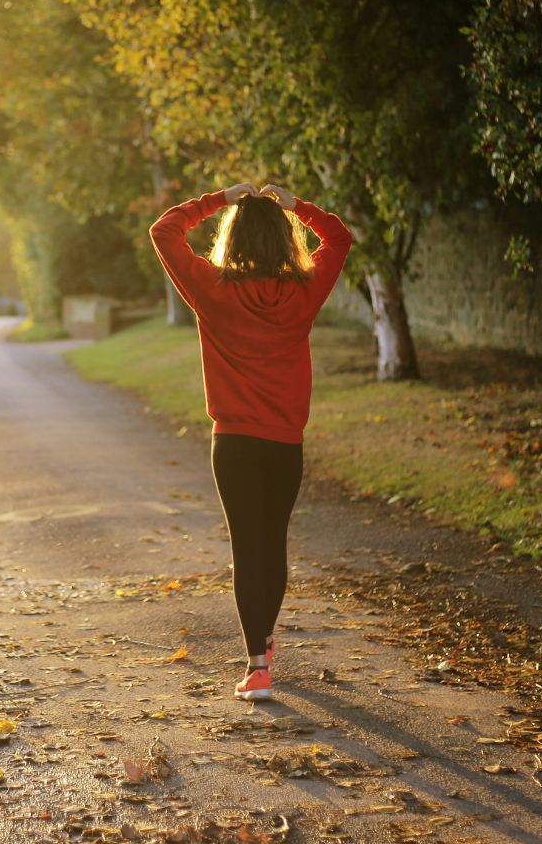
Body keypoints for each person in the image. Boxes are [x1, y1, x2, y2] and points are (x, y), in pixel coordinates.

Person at [149, 182, 353, 701]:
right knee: (273, 543)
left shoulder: (211, 289)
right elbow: (340, 237)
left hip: (234, 443)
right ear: (285, 240)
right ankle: (262, 642)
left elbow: (164, 230)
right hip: (284, 442)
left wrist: (219, 198)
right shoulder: (305, 290)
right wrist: (297, 207)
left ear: (232, 239)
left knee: (247, 547)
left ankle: (257, 665)